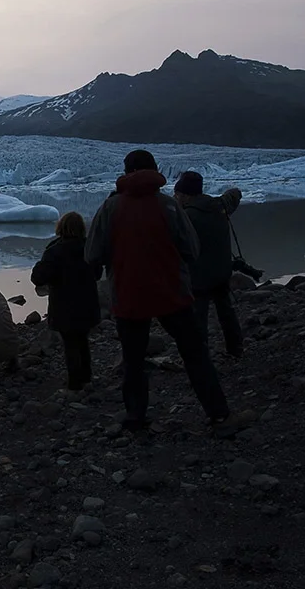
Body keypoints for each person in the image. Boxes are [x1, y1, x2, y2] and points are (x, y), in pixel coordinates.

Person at [85, 150, 233, 433]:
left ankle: (136, 417)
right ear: (154, 169)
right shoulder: (169, 205)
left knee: (133, 360)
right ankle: (218, 413)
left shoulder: (110, 208)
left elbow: (92, 253)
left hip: (128, 294)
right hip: (172, 292)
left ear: (125, 172)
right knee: (195, 354)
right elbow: (192, 249)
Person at [173, 171, 244, 358]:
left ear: (186, 195)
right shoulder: (219, 205)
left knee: (198, 317)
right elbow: (234, 196)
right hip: (222, 271)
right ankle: (236, 348)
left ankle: (200, 356)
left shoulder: (186, 216)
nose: (176, 198)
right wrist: (236, 191)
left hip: (199, 277)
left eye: (178, 195)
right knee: (226, 310)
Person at [31, 211, 101, 390]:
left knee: (70, 342)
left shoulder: (54, 250)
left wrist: (41, 267)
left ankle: (75, 383)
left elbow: (38, 277)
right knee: (82, 339)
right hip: (87, 303)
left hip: (64, 305)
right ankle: (87, 377)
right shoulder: (89, 247)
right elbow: (98, 273)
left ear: (60, 227)